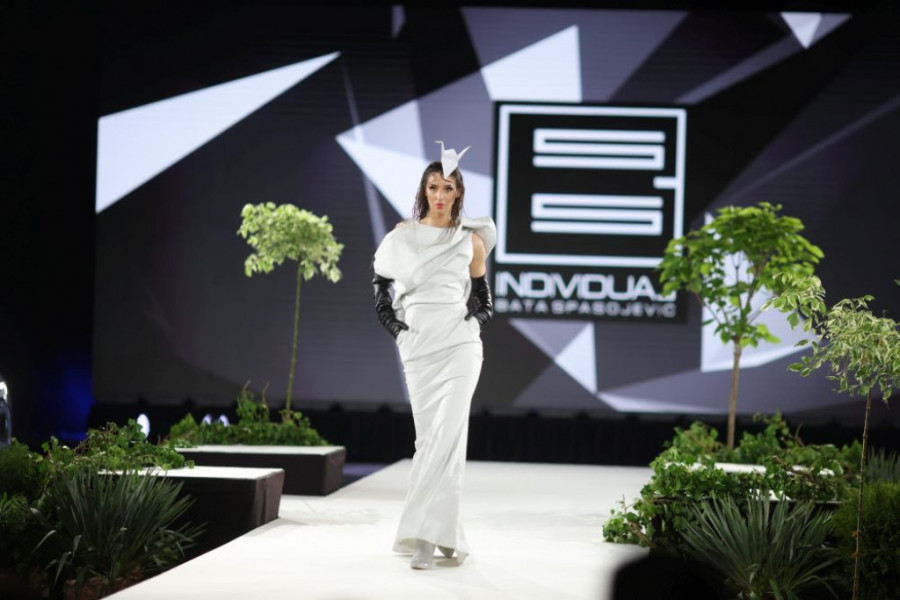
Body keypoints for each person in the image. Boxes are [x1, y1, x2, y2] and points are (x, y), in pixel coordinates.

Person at [372, 142, 496, 570]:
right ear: (423, 191)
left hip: (460, 345)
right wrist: (395, 327)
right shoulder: (401, 237)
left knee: (446, 435)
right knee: (430, 441)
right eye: (433, 187)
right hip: (419, 346)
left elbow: (484, 298)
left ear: (458, 192)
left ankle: (423, 538)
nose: (440, 195)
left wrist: (472, 322)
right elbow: (380, 289)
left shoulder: (470, 240)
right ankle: (445, 534)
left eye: (447, 187)